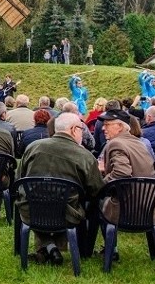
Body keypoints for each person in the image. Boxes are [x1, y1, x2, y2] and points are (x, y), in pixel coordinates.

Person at [16, 111, 103, 265]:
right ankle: (62, 247)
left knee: (43, 200)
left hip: (31, 209)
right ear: (73, 129)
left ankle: (48, 246)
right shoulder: (85, 156)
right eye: (81, 129)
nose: (82, 133)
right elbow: (96, 189)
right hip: (67, 213)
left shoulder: (33, 147)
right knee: (84, 205)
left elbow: (19, 178)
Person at [97, 108, 155, 258]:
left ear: (120, 126)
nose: (103, 128)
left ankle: (109, 250)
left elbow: (122, 173)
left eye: (107, 124)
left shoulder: (116, 143)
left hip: (128, 209)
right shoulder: (138, 142)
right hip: (150, 207)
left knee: (92, 202)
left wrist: (99, 186)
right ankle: (154, 252)